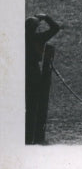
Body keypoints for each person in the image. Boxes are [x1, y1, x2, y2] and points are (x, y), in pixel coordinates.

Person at [25, 13, 60, 144]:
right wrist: (45, 17)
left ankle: (27, 137)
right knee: (34, 105)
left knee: (27, 106)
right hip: (34, 72)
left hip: (23, 72)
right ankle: (35, 137)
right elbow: (55, 28)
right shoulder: (38, 38)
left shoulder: (21, 38)